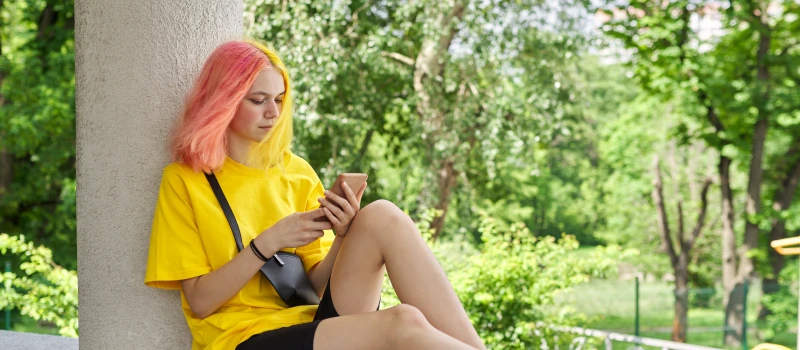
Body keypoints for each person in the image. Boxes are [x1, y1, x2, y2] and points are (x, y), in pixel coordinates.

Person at [144, 39, 486, 350]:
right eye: (258, 100)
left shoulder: (296, 172)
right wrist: (269, 241)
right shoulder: (184, 181)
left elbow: (314, 289)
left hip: (313, 325)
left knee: (381, 215)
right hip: (243, 338)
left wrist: (342, 237)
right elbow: (201, 302)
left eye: (279, 100)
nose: (273, 113)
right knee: (403, 320)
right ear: (225, 101)